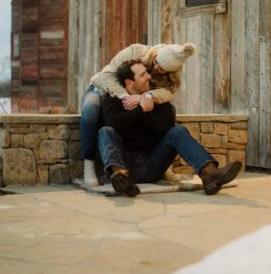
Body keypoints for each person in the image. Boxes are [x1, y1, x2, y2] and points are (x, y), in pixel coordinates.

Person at [98, 59, 241, 197]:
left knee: (178, 131)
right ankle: (122, 180)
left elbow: (167, 126)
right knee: (105, 131)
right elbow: (113, 123)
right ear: (129, 83)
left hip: (152, 163)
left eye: (146, 72)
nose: (149, 76)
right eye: (142, 75)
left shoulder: (155, 96)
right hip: (125, 164)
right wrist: (140, 110)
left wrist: (147, 109)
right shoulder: (112, 98)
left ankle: (209, 174)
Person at [80, 42, 196, 187]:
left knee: (169, 110)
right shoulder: (135, 51)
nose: (155, 68)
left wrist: (145, 96)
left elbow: (167, 92)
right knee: (91, 111)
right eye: (156, 63)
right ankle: (89, 164)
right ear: (155, 55)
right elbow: (107, 75)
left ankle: (164, 164)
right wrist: (125, 96)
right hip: (102, 88)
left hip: (138, 94)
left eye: (162, 70)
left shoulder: (172, 73)